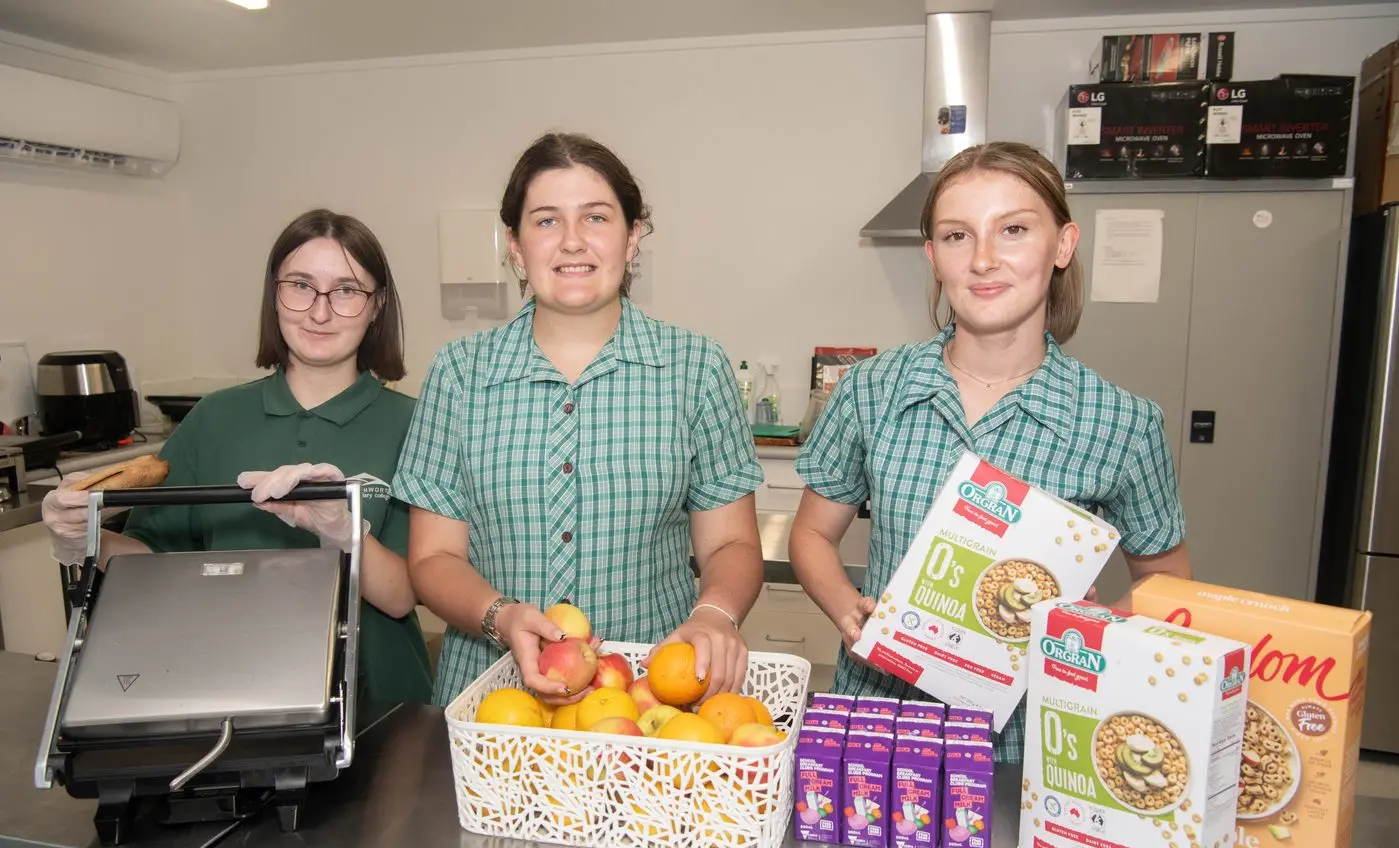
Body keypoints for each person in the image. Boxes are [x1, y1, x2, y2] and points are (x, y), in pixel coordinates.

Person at [789, 142, 1191, 763]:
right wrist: (849, 613)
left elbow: (1168, 581)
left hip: (1028, 748)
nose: (983, 259)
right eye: (957, 236)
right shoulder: (874, 388)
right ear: (933, 258)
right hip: (883, 724)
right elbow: (812, 534)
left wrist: (1084, 635)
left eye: (1013, 229)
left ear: (1062, 245)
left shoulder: (1121, 423)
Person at [395, 132, 764, 706]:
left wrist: (716, 613)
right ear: (515, 245)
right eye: (545, 221)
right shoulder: (460, 374)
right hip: (495, 700)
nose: (572, 241)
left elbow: (731, 544)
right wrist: (499, 616)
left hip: (649, 697)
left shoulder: (695, 368)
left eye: (596, 217)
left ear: (632, 235)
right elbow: (433, 557)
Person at [41, 209, 433, 705]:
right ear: (274, 295)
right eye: (300, 285)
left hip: (378, 709)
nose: (319, 312)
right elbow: (149, 564)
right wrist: (84, 540)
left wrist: (343, 531)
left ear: (377, 307)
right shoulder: (215, 418)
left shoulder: (416, 424)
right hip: (225, 704)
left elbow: (401, 595)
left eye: (347, 291)